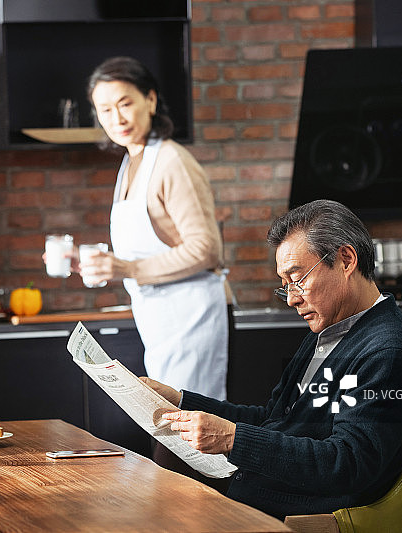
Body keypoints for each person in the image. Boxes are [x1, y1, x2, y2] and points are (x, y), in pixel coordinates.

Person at [142, 199, 402, 520]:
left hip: (303, 510)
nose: (293, 299)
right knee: (166, 456)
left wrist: (232, 439)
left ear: (345, 260)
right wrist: (182, 401)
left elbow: (346, 463)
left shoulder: (389, 353)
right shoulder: (330, 329)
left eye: (298, 279)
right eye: (286, 286)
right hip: (267, 489)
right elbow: (273, 419)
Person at [79, 56, 232, 405]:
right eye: (104, 110)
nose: (116, 118)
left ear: (150, 100)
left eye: (125, 104)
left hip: (193, 317)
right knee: (170, 432)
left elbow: (205, 248)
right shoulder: (133, 160)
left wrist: (127, 268)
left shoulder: (171, 161)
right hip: (160, 320)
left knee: (187, 436)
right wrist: (94, 262)